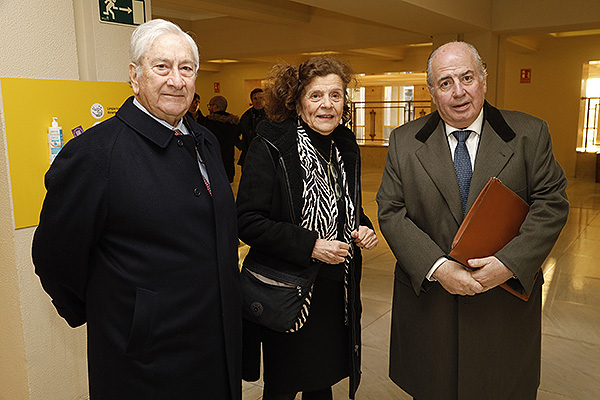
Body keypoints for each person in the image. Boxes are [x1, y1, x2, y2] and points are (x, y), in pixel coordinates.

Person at [32, 19, 241, 400]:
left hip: (215, 343)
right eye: (162, 67)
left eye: (186, 68)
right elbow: (55, 257)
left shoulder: (204, 141)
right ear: (134, 75)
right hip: (145, 360)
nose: (176, 80)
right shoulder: (96, 154)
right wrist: (123, 316)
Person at [377, 41, 569, 400]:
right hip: (430, 304)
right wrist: (438, 267)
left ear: (483, 79)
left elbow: (552, 201)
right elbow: (391, 210)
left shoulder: (529, 134)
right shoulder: (404, 142)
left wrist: (509, 263)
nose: (459, 91)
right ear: (432, 91)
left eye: (467, 77)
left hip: (502, 305)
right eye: (445, 82)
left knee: (501, 387)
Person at [237, 56, 378, 400]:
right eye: (316, 96)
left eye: (336, 95)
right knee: (284, 385)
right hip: (288, 288)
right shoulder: (270, 144)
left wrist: (362, 226)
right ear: (297, 101)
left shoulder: (344, 145)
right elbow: (248, 221)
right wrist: (311, 245)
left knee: (322, 378)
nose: (326, 105)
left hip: (335, 290)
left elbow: (348, 204)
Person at [200, 95, 240, 182]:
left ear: (215, 107)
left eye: (210, 105)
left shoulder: (208, 122)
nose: (209, 108)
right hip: (228, 161)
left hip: (213, 161)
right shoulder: (233, 123)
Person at [237, 88, 266, 167]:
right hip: (248, 155)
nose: (258, 101)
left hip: (266, 156)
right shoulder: (246, 116)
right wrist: (242, 145)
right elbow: (236, 132)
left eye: (261, 98)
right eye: (255, 98)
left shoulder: (271, 115)